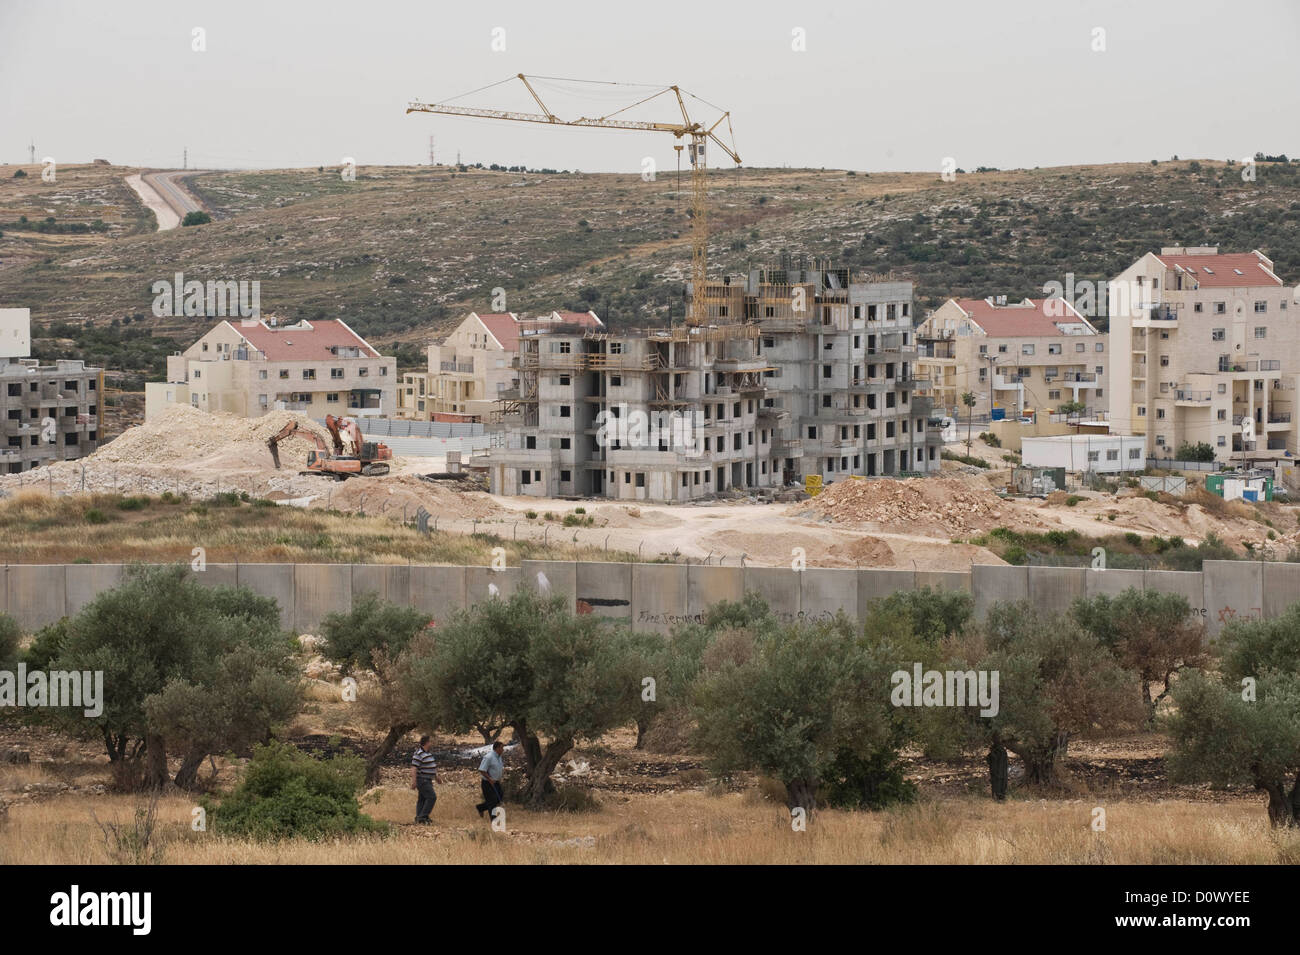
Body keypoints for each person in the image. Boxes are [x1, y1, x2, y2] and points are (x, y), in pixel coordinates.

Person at [410, 735, 438, 824]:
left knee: (422, 799)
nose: (431, 743)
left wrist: (436, 777)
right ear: (426, 743)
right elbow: (414, 768)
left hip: (428, 780)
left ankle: (419, 818)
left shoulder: (428, 753)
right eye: (430, 741)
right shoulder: (418, 754)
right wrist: (414, 781)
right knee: (432, 797)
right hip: (422, 780)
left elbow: (431, 766)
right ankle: (423, 817)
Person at [475, 740, 505, 819]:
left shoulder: (499, 757)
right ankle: (494, 821)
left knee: (499, 798)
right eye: (502, 748)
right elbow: (482, 770)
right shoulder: (489, 757)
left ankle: (480, 807)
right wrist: (490, 779)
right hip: (488, 783)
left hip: (496, 782)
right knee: (492, 802)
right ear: (497, 748)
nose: (503, 749)